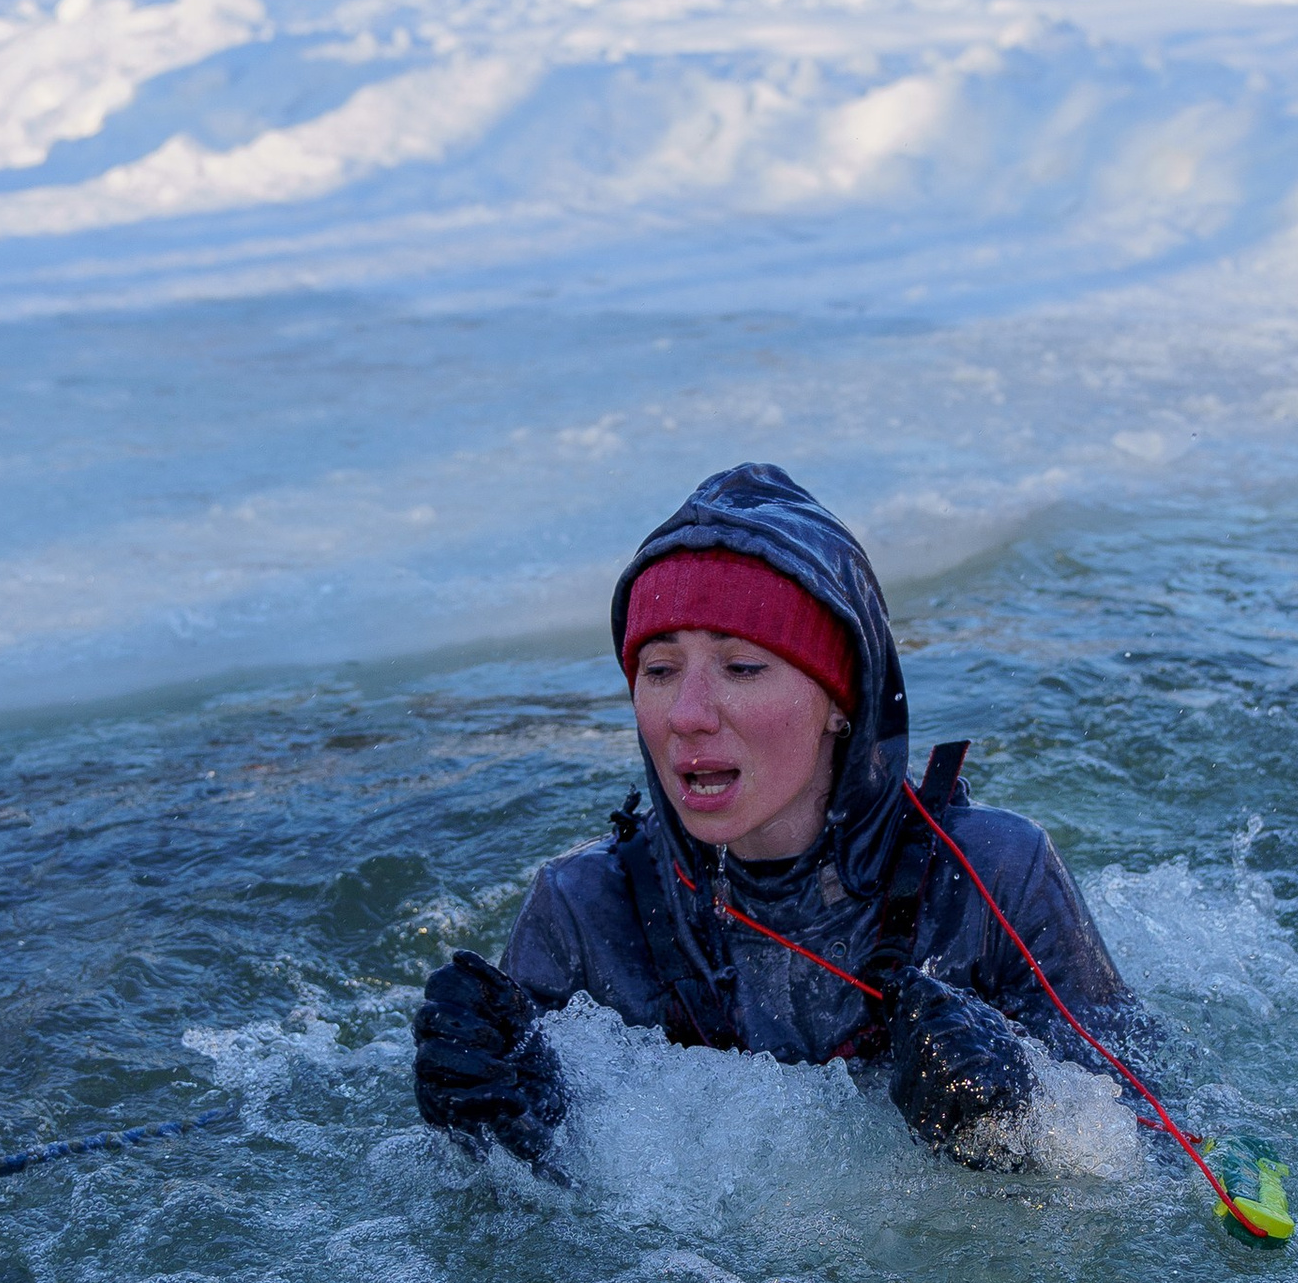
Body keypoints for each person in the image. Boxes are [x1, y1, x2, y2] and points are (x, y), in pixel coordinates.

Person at [411, 462, 1134, 1175]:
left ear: (841, 702)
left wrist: (1026, 1115)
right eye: (659, 671)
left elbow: (1160, 1127)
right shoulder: (583, 914)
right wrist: (500, 1130)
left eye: (742, 667)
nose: (688, 715)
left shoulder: (993, 877)